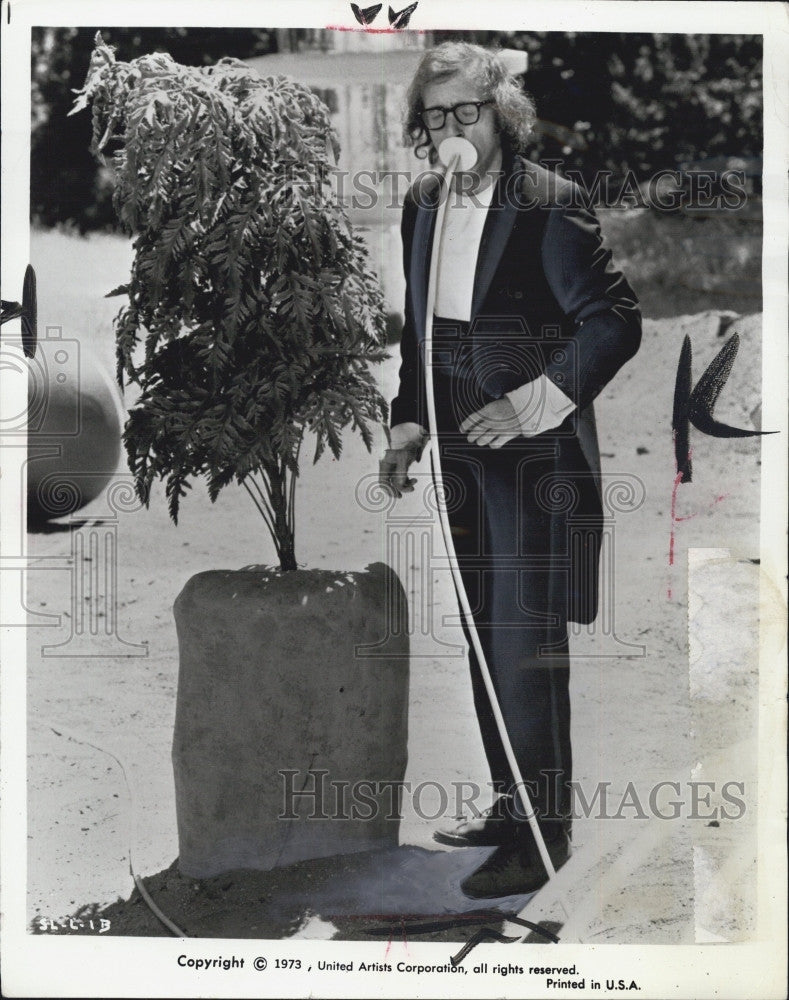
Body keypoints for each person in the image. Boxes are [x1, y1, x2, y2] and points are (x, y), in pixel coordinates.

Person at [379, 42, 641, 898]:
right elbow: (420, 331)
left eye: (468, 112)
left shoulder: (548, 204)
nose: (452, 129)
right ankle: (510, 804)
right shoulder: (421, 204)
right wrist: (409, 422)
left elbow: (611, 321)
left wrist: (532, 401)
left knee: (525, 643)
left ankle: (544, 836)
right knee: (483, 632)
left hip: (532, 451)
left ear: (502, 114)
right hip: (454, 446)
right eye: (436, 116)